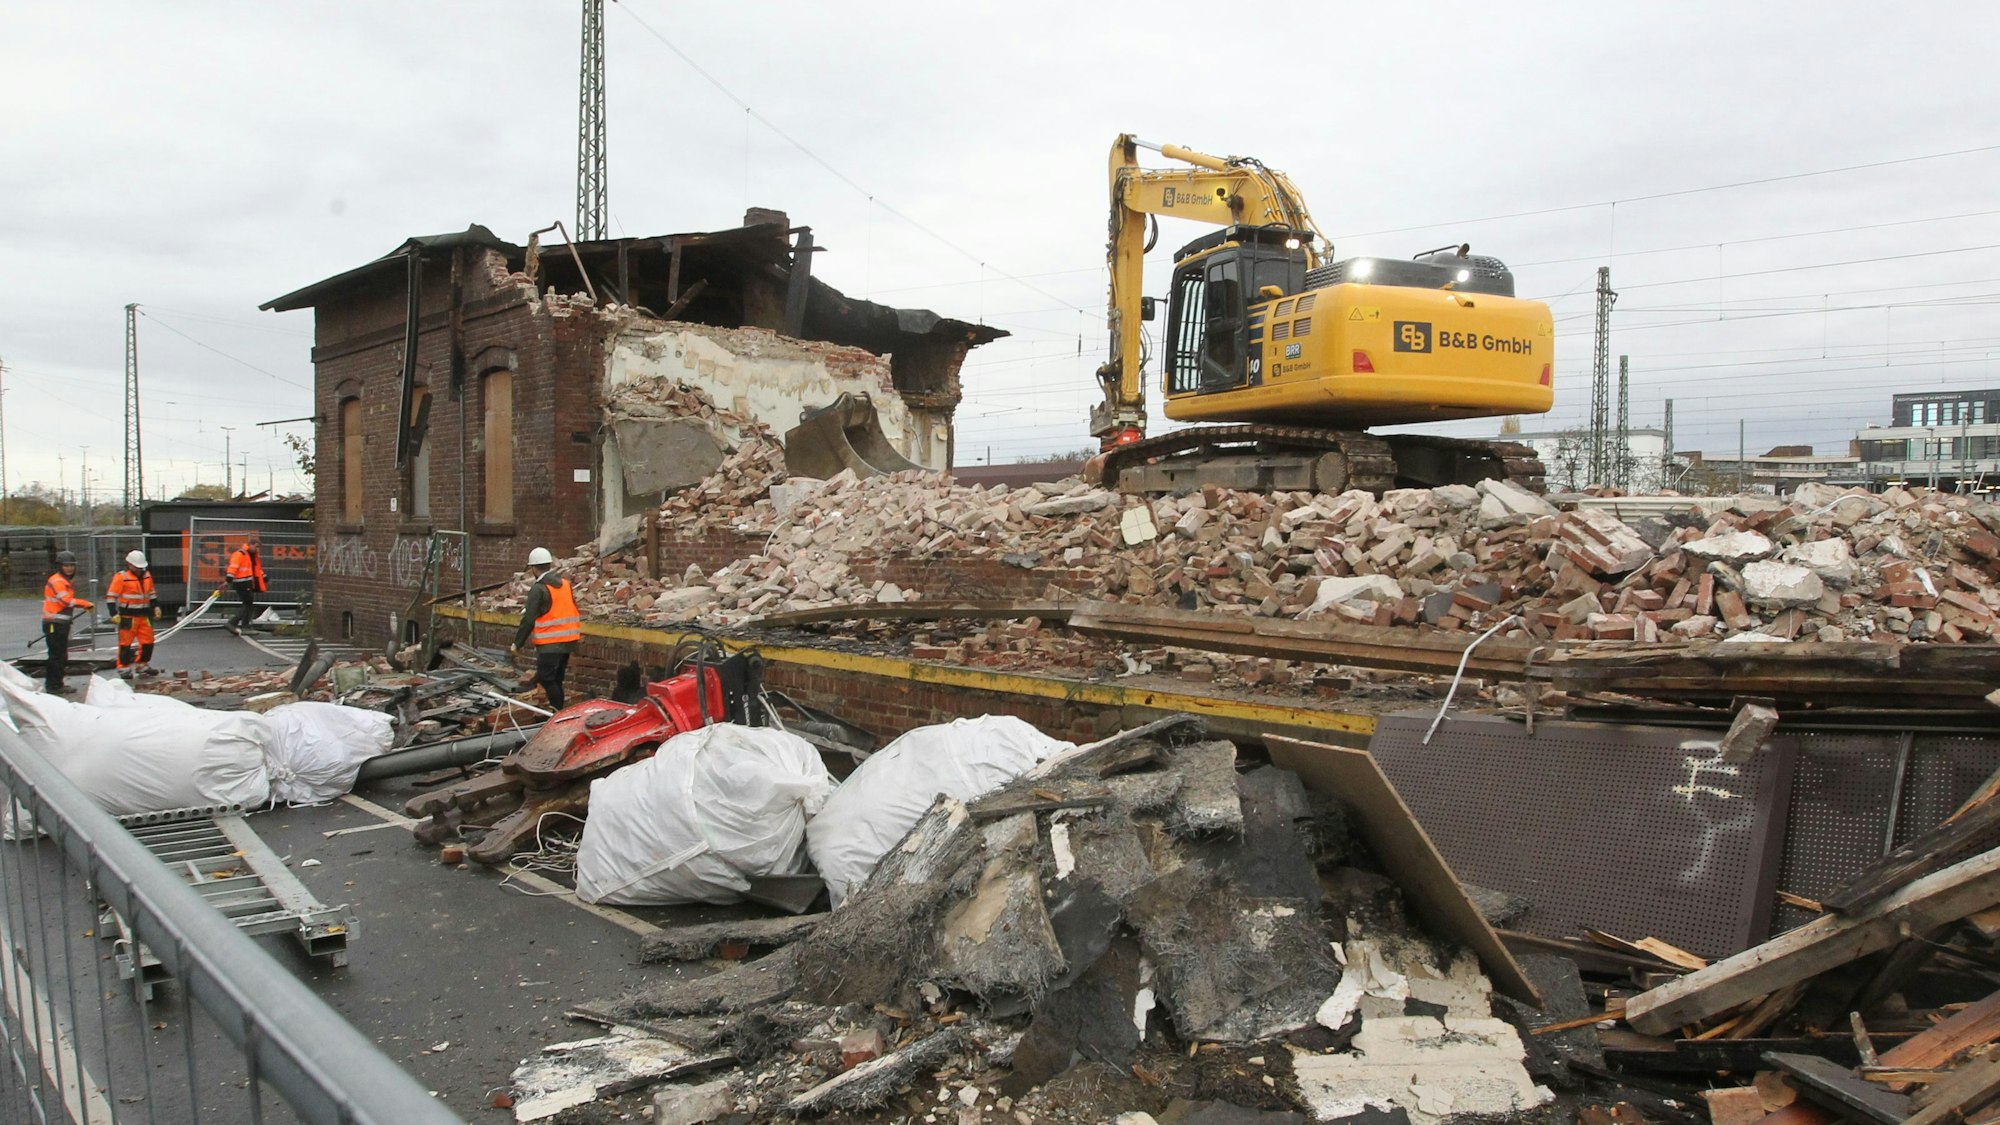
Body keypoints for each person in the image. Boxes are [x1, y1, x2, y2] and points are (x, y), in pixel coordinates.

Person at [509, 547, 578, 710]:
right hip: (569, 640)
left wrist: (517, 644)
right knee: (557, 679)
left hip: (550, 642)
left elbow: (528, 619)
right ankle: (559, 712)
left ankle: (557, 713)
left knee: (547, 679)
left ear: (533, 568)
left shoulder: (539, 589)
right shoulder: (566, 585)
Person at [41, 550, 92, 696]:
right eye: (66, 565)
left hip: (59, 624)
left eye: (72, 565)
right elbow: (66, 601)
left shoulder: (63, 581)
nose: (69, 568)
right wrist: (85, 604)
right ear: (59, 566)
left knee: (60, 655)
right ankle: (54, 686)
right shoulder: (58, 581)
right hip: (54, 624)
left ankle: (56, 684)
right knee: (57, 656)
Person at [106, 550, 159, 679]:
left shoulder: (147, 575)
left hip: (145, 615)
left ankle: (142, 664)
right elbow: (111, 597)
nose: (139, 569)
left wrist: (156, 606)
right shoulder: (121, 577)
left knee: (148, 642)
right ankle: (123, 667)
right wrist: (113, 613)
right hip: (128, 616)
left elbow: (151, 593)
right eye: (136, 566)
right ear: (129, 564)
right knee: (125, 643)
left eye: (140, 567)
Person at [222, 533, 267, 634]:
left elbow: (256, 569)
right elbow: (233, 567)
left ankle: (244, 626)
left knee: (249, 604)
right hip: (242, 582)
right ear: (251, 544)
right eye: (256, 547)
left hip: (247, 582)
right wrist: (228, 580)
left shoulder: (251, 555)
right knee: (247, 604)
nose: (258, 550)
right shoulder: (240, 554)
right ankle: (234, 623)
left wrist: (264, 577)